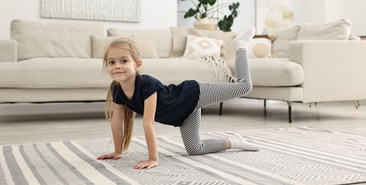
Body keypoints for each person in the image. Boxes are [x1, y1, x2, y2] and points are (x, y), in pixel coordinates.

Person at [97, 27, 259, 169]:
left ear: (137, 64)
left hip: (193, 94)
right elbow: (117, 122)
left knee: (244, 87)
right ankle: (233, 141)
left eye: (123, 61)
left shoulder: (147, 84)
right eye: (112, 62)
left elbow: (148, 123)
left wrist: (153, 158)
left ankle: (240, 45)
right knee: (195, 149)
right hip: (184, 114)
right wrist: (117, 151)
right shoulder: (117, 89)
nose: (117, 65)